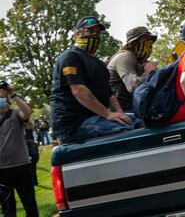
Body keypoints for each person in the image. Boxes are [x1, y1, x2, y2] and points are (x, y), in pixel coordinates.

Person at [50, 16, 142, 144]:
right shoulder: (70, 57)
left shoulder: (99, 64)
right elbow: (79, 90)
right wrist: (108, 114)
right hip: (75, 125)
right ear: (77, 34)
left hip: (97, 117)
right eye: (90, 31)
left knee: (140, 122)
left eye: (98, 32)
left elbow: (109, 95)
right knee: (126, 130)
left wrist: (121, 114)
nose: (95, 35)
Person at [0, 82, 39, 216]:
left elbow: (27, 113)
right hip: (2, 170)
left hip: (22, 166)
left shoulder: (15, 114)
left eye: (2, 97)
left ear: (7, 100)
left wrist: (13, 94)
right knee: (7, 208)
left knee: (30, 204)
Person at [107, 26, 158, 111]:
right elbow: (133, 86)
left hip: (131, 106)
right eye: (145, 40)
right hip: (118, 111)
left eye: (150, 41)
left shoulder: (140, 61)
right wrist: (148, 73)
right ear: (132, 43)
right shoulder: (125, 56)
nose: (148, 44)